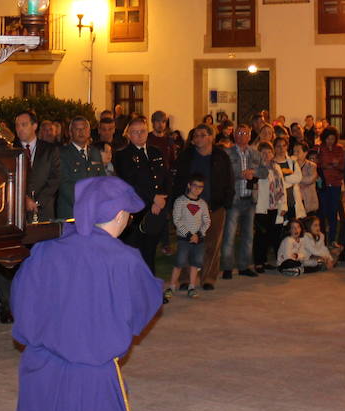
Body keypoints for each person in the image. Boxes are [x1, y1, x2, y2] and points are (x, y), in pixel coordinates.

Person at [12, 176, 162, 411]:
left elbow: (21, 300)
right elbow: (144, 305)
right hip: (93, 377)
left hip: (41, 369)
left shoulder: (45, 248)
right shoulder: (124, 259)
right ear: (119, 215)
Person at [173, 124, 233, 290]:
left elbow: (229, 178)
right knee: (187, 242)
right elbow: (178, 179)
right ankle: (185, 279)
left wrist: (227, 201)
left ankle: (208, 278)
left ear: (210, 137)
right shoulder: (187, 156)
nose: (198, 138)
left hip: (214, 205)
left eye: (202, 135)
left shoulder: (221, 156)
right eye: (196, 135)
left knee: (212, 243)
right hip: (189, 206)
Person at [112, 117, 169, 272]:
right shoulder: (122, 155)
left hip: (156, 211)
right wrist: (152, 199)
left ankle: (150, 291)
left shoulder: (155, 152)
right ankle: (135, 292)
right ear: (128, 135)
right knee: (135, 254)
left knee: (150, 254)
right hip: (136, 213)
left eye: (142, 131)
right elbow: (130, 183)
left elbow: (165, 177)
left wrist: (161, 199)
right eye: (135, 132)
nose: (139, 135)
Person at [222, 124, 263, 279]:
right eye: (238, 132)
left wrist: (253, 172)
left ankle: (244, 266)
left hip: (250, 199)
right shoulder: (227, 153)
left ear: (250, 136)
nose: (241, 135)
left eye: (245, 133)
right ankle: (227, 267)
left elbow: (264, 171)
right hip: (234, 200)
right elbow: (224, 174)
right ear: (234, 135)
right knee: (229, 235)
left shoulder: (255, 153)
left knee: (248, 236)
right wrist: (240, 175)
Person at [168, 176, 211, 299]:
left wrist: (198, 234)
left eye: (200, 187)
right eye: (195, 186)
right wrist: (188, 235)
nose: (197, 189)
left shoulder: (202, 204)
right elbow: (177, 220)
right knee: (180, 262)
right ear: (189, 185)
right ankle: (172, 286)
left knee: (196, 263)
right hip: (184, 239)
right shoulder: (180, 201)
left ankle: (192, 286)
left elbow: (207, 221)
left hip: (198, 239)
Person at [15, 110, 60, 222]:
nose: (19, 129)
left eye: (24, 125)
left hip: (44, 211)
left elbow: (55, 178)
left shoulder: (50, 150)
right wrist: (23, 199)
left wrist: (37, 202)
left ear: (34, 126)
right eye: (17, 125)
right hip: (18, 212)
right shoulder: (11, 150)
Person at [57, 116, 106, 220]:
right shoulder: (62, 154)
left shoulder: (95, 152)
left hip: (94, 213)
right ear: (70, 133)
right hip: (71, 212)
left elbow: (102, 180)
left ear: (89, 132)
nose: (81, 132)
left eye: (84, 129)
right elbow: (64, 184)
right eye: (77, 129)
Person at [252, 141, 286, 272]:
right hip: (261, 207)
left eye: (269, 152)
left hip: (274, 206)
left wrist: (283, 205)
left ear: (273, 154)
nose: (266, 155)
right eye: (263, 152)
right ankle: (258, 262)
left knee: (269, 235)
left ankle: (265, 260)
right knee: (260, 235)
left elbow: (281, 186)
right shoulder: (256, 168)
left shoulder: (276, 167)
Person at [317, 128, 345, 245]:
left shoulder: (339, 148)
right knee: (322, 211)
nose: (330, 141)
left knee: (333, 211)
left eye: (333, 139)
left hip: (335, 183)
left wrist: (335, 165)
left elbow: (343, 165)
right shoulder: (320, 148)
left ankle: (333, 239)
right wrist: (330, 165)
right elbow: (319, 164)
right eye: (328, 138)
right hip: (323, 184)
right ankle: (322, 240)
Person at [296, 145, 320, 216]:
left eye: (298, 151)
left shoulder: (311, 165)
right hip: (297, 199)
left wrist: (295, 178)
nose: (295, 153)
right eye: (294, 151)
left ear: (305, 153)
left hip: (308, 199)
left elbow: (309, 180)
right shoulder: (292, 165)